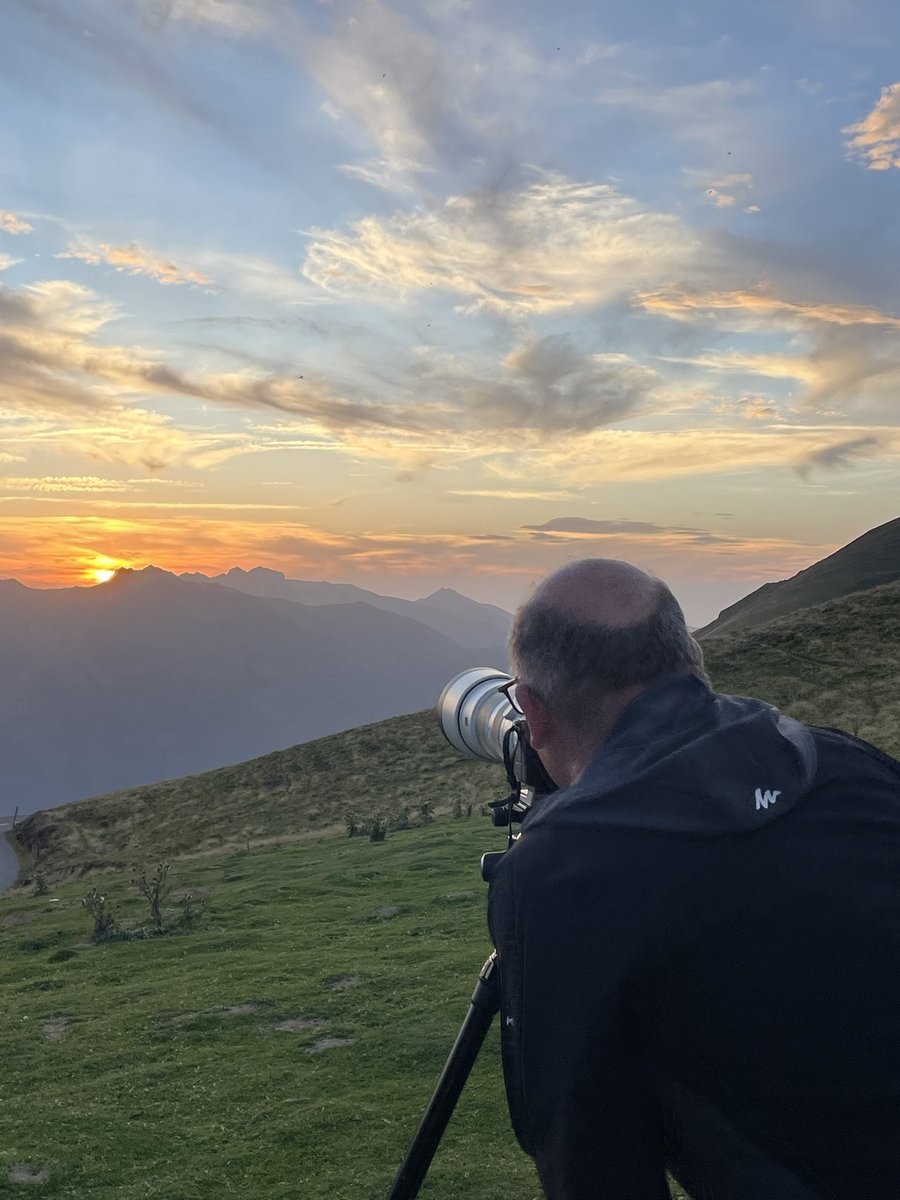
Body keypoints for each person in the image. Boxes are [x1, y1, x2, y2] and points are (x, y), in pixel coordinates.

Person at [487, 558, 900, 1200]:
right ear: (690, 658)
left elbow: (590, 1161)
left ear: (533, 713)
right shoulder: (847, 766)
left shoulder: (563, 868)